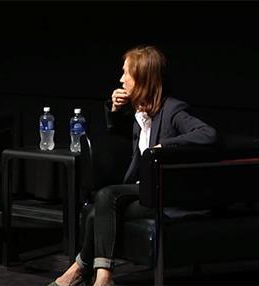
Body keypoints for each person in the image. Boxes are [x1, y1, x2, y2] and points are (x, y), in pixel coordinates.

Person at [48, 45, 217, 286]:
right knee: (98, 210)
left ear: (142, 78)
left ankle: (92, 274)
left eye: (126, 73)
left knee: (107, 196)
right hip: (145, 189)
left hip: (168, 196)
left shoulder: (173, 110)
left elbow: (207, 134)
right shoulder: (142, 113)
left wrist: (164, 146)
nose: (121, 79)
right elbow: (123, 135)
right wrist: (116, 111)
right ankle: (89, 272)